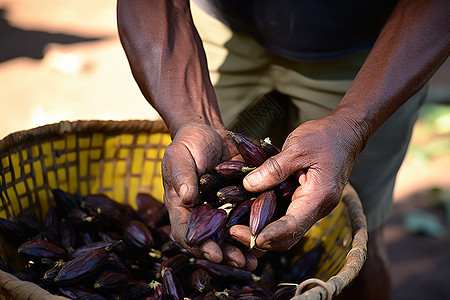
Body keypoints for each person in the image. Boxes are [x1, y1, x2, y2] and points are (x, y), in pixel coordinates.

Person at [116, 0, 449, 298]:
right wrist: (191, 118)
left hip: (372, 48)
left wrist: (353, 126)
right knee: (203, 179)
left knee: (356, 234)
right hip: (215, 29)